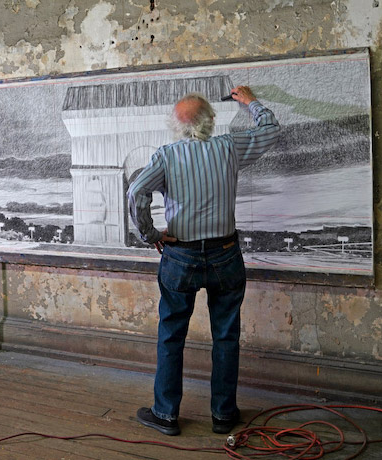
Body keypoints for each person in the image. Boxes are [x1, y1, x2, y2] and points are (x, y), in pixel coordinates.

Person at [127, 86, 280, 436]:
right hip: (225, 254)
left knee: (171, 336)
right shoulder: (228, 147)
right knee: (225, 336)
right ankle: (223, 415)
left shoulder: (166, 156)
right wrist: (249, 102)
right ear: (210, 121)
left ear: (176, 126)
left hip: (180, 255)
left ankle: (165, 415)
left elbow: (136, 192)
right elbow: (270, 130)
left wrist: (150, 234)